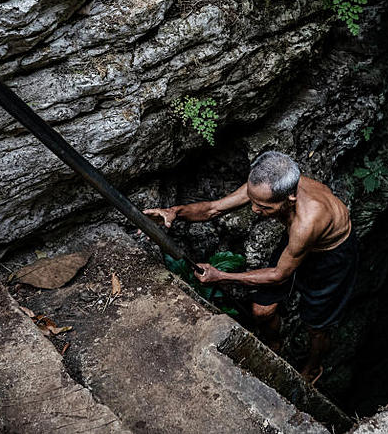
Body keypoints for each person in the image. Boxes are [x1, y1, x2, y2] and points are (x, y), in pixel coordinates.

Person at [143, 151, 357, 382]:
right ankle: (275, 345)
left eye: (264, 207)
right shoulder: (268, 185)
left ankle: (313, 368)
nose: (255, 210)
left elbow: (278, 275)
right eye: (253, 201)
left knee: (316, 326)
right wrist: (174, 212)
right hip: (296, 246)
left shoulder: (307, 221)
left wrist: (221, 276)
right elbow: (213, 209)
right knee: (262, 310)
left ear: (290, 199)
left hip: (331, 256)